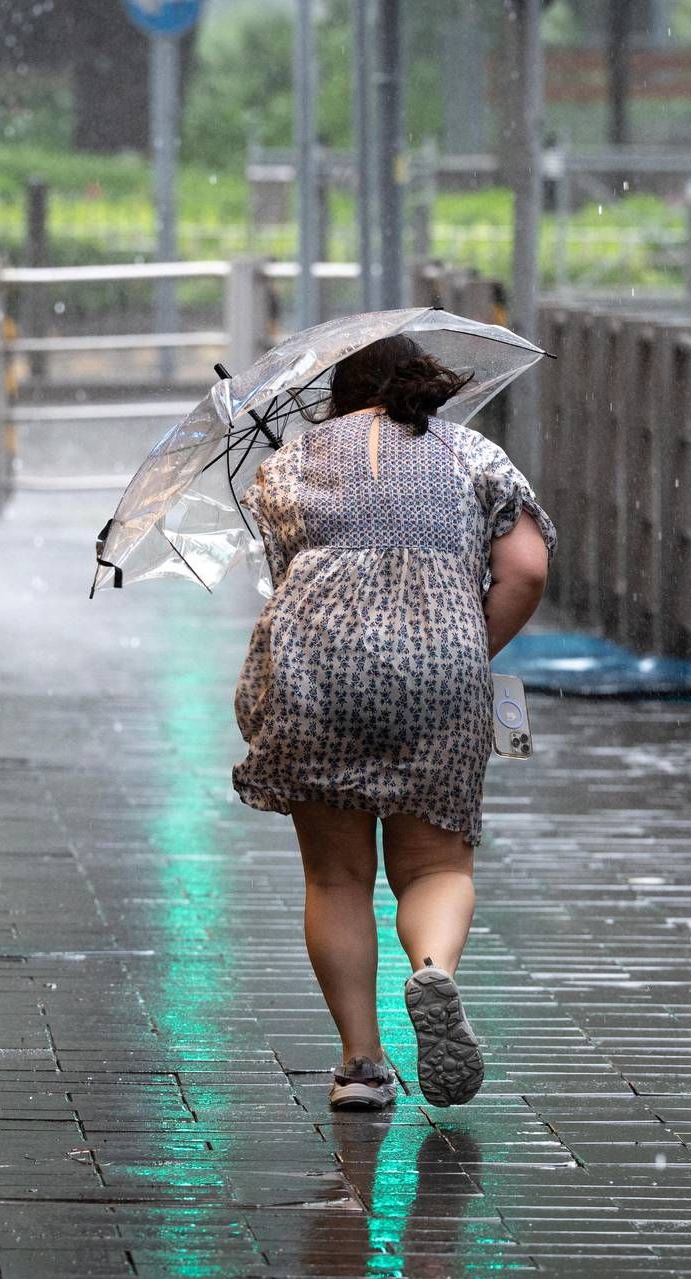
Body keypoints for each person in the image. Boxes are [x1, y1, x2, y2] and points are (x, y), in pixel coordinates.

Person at [232, 334, 555, 1111]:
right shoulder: (474, 454)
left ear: (342, 393)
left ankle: (360, 1066)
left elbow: (286, 574)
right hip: (438, 667)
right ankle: (433, 968)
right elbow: (529, 568)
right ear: (427, 385)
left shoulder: (291, 464)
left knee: (337, 875)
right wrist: (465, 640)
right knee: (436, 865)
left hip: (319, 669)